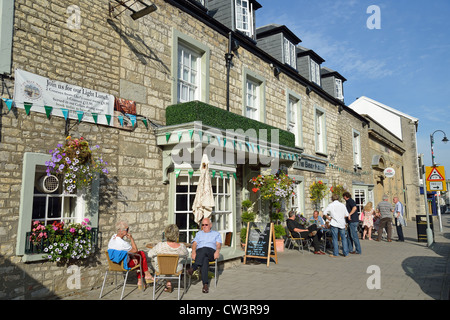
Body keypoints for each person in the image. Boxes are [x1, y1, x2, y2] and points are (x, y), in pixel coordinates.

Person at [108, 220, 153, 289]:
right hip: (124, 265)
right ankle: (146, 275)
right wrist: (131, 239)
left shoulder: (113, 238)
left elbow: (124, 252)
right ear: (122, 231)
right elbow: (135, 250)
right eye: (127, 229)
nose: (128, 231)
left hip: (115, 264)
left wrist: (132, 256)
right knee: (141, 254)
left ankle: (141, 280)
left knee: (137, 258)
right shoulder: (123, 243)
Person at [148, 224, 189, 293]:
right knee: (174, 264)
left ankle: (168, 283)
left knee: (165, 264)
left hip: (161, 269)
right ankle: (169, 283)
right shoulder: (181, 247)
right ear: (177, 234)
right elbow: (186, 255)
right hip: (175, 270)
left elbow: (149, 254)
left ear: (166, 234)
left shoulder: (160, 245)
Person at [187, 218, 222, 294]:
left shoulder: (216, 234)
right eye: (203, 225)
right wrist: (193, 252)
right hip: (200, 253)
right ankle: (205, 285)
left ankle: (194, 267)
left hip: (211, 252)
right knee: (204, 260)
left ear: (210, 225)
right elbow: (195, 244)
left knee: (205, 249)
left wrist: (217, 251)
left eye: (206, 224)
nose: (204, 226)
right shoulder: (199, 234)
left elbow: (218, 244)